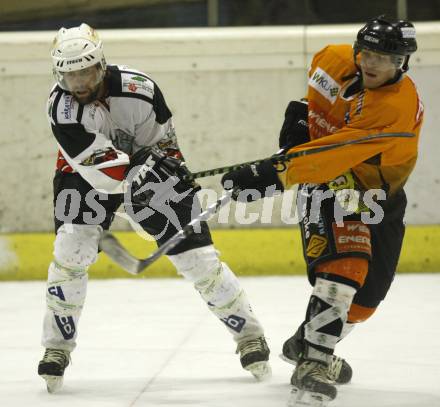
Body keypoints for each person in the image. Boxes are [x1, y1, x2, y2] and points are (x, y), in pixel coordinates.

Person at [38, 23, 270, 393]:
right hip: (84, 174)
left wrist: (163, 169)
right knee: (72, 247)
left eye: (84, 72)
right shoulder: (60, 108)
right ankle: (57, 347)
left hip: (146, 161)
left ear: (100, 65)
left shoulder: (140, 91)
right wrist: (134, 176)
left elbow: (164, 145)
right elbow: (97, 169)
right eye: (69, 74)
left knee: (198, 259)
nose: (78, 82)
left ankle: (249, 336)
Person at [221, 16, 422, 405]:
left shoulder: (396, 107)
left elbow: (335, 153)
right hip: (328, 183)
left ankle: (306, 342)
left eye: (387, 58)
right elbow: (310, 106)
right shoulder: (331, 59)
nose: (373, 63)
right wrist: (296, 124)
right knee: (347, 265)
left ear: (403, 63)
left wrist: (272, 173)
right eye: (368, 52)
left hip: (376, 195)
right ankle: (315, 361)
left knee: (366, 301)